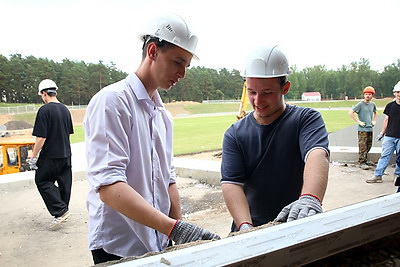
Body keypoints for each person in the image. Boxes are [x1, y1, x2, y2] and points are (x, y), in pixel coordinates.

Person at [84, 13, 219, 264]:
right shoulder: (113, 102)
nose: (183, 73)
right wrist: (173, 228)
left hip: (158, 242)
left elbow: (168, 181)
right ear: (153, 51)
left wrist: (179, 231)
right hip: (119, 246)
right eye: (178, 62)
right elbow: (109, 187)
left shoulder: (162, 116)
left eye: (187, 66)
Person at [220, 45, 330, 232]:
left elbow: (317, 155)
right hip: (251, 224)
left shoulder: (306, 119)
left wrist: (310, 198)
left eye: (267, 93)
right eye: (252, 92)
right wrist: (245, 226)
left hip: (297, 219)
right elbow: (232, 184)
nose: (257, 101)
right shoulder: (235, 134)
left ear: (285, 88)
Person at [30, 79, 74, 229]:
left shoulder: (45, 110)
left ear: (44, 93)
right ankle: (62, 210)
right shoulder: (65, 109)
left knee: (42, 180)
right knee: (64, 183)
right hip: (66, 153)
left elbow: (41, 137)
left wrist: (33, 156)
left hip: (50, 155)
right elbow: (68, 133)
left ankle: (60, 211)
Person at [368, 81, 400, 183]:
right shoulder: (390, 106)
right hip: (390, 136)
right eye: (397, 92)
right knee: (385, 155)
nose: (399, 94)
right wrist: (382, 133)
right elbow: (386, 120)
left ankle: (398, 175)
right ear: (394, 93)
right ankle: (378, 175)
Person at [348, 86, 377, 167]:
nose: (368, 96)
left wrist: (374, 121)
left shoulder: (372, 104)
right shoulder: (360, 104)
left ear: (372, 95)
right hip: (362, 129)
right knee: (362, 145)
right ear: (364, 95)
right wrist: (358, 121)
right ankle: (362, 162)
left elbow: (375, 113)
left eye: (369, 94)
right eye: (366, 94)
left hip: (369, 128)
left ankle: (366, 159)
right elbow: (350, 112)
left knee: (369, 145)